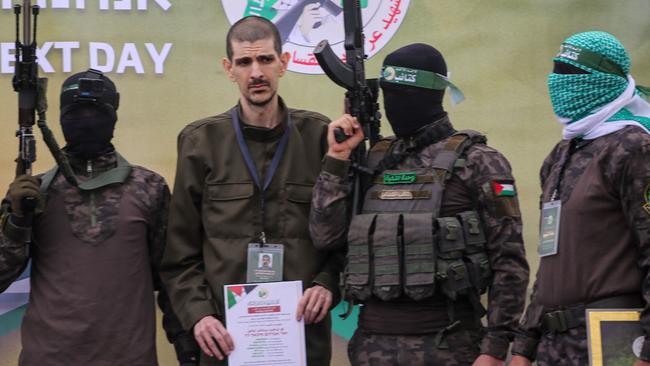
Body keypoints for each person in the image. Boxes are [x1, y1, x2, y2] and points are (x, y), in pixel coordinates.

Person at [309, 43, 530, 365]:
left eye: (402, 94)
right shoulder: (373, 159)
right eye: (388, 93)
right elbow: (326, 237)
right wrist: (337, 160)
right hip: (372, 346)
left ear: (430, 95)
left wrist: (495, 349)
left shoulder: (479, 162)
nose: (394, 104)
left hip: (448, 343)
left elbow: (509, 261)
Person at [161, 16, 342, 365]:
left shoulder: (321, 138)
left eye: (265, 59)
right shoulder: (201, 143)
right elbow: (178, 255)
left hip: (302, 339)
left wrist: (327, 283)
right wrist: (199, 315)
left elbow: (345, 236)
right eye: (244, 62)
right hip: (225, 342)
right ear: (229, 69)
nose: (256, 72)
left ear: (283, 63)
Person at [0, 69, 199, 365]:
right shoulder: (33, 193)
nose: (86, 120)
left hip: (129, 358)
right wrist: (17, 222)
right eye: (76, 112)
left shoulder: (150, 188)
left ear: (114, 116)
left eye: (96, 110)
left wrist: (187, 344)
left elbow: (172, 278)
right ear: (61, 118)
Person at [510, 31, 650, 366]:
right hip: (554, 346)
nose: (559, 81)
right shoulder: (562, 154)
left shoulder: (634, 148)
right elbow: (551, 260)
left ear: (606, 81)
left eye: (572, 73)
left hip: (615, 346)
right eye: (556, 71)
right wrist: (523, 348)